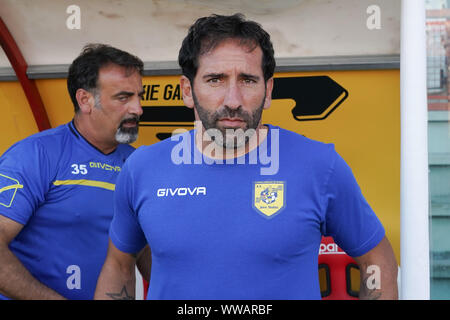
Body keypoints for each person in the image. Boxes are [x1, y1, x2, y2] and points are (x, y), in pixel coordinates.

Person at [95, 14, 398, 300]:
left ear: (268, 91)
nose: (233, 100)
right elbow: (119, 264)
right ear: (187, 90)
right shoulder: (142, 168)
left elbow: (376, 257)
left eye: (248, 80)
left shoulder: (321, 165)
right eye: (215, 79)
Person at [0, 44, 149, 300]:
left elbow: (148, 255)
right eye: (124, 97)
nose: (138, 109)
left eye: (139, 96)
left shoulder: (139, 164)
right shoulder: (34, 155)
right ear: (85, 100)